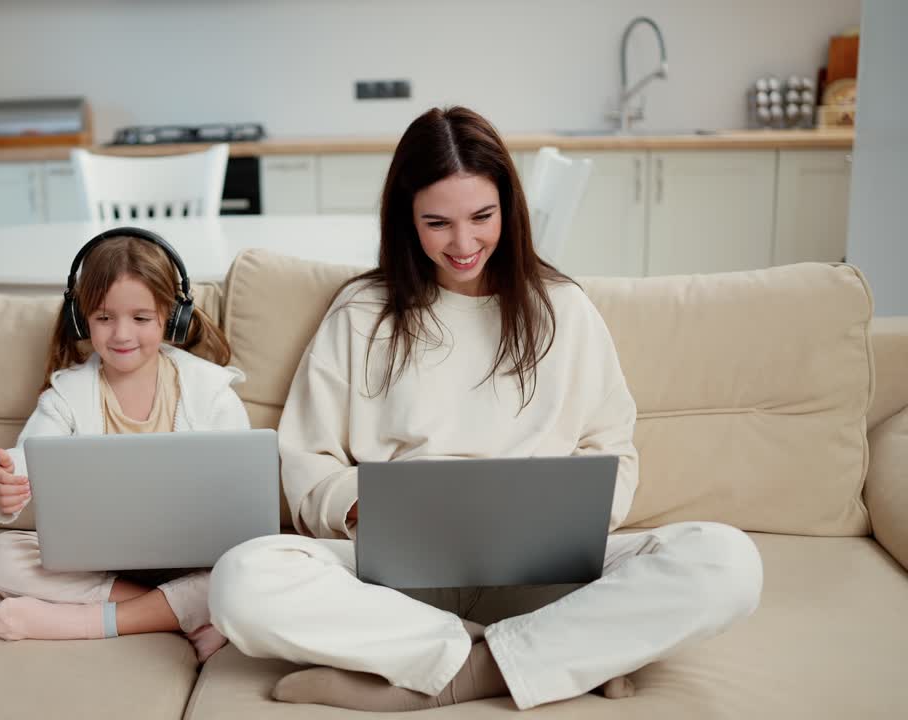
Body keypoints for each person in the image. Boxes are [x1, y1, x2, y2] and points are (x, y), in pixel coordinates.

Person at [207, 107, 763, 711]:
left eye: (482, 217)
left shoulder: (563, 309)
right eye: (437, 223)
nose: (464, 243)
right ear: (406, 221)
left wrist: (567, 521)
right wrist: (363, 507)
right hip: (395, 579)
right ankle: (557, 659)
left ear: (510, 210)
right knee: (242, 578)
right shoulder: (361, 312)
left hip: (545, 576)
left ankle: (457, 674)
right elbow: (308, 459)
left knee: (727, 561)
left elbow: (612, 449)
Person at [0, 228, 250, 664]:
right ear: (82, 318)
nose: (122, 334)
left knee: (255, 568)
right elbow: (25, 463)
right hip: (101, 563)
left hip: (193, 560)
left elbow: (242, 497)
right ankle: (180, 612)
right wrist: (0, 484)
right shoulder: (67, 397)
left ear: (171, 318)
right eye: (105, 318)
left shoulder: (211, 392)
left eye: (141, 318)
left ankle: (92, 622)